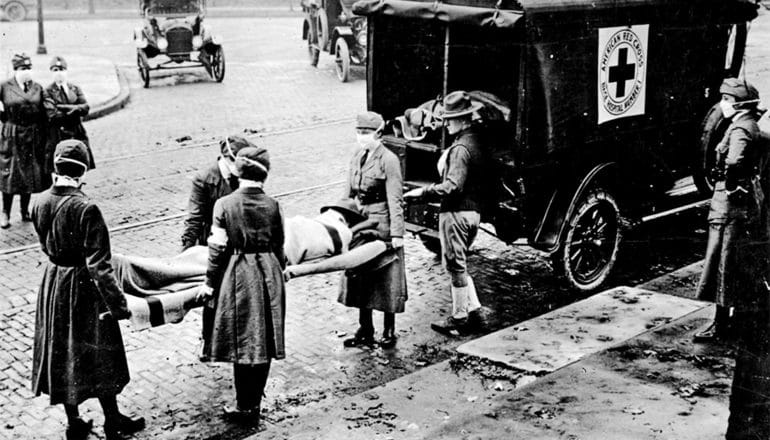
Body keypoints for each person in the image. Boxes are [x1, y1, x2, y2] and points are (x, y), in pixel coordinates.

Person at [30, 140, 145, 440]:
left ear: (55, 167)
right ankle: (112, 420)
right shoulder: (87, 208)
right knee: (100, 353)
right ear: (82, 172)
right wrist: (119, 306)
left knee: (63, 352)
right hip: (84, 290)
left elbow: (45, 245)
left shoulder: (38, 201)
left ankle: (74, 422)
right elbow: (100, 265)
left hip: (54, 284)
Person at [196, 146, 285, 424]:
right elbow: (280, 246)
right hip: (269, 273)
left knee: (241, 338)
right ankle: (254, 404)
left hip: (238, 275)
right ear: (264, 175)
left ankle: (243, 406)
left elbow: (216, 249)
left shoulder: (224, 204)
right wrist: (278, 269)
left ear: (238, 171)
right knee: (265, 337)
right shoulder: (274, 205)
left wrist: (210, 282)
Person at [404, 90, 487, 336]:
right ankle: (475, 311)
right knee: (459, 264)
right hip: (473, 213)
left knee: (455, 267)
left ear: (462, 119)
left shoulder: (460, 148)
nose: (446, 124)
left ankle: (460, 318)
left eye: (450, 119)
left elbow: (452, 186)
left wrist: (423, 193)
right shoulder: (476, 140)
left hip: (456, 214)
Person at [694, 78, 768, 342]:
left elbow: (734, 161)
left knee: (723, 262)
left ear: (738, 104)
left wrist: (731, 182)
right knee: (736, 262)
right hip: (743, 203)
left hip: (730, 206)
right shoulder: (749, 125)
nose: (722, 104)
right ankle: (731, 321)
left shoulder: (740, 130)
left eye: (726, 99)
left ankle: (721, 326)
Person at [181, 134, 254, 360]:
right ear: (225, 159)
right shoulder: (204, 179)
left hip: (239, 242)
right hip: (213, 242)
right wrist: (186, 253)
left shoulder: (244, 175)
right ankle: (209, 342)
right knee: (212, 294)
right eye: (236, 163)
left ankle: (236, 338)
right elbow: (194, 218)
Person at [338, 111, 406, 349]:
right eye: (358, 132)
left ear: (378, 133)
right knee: (360, 277)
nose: (361, 137)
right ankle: (365, 329)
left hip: (382, 224)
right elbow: (348, 193)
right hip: (360, 221)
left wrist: (397, 233)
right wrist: (341, 218)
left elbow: (395, 199)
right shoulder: (357, 155)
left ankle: (389, 329)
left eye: (365, 133)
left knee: (386, 279)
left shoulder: (389, 160)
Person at [0, 53, 48, 229]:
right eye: (22, 68)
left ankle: (24, 210)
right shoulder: (5, 87)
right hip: (12, 136)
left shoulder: (37, 88)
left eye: (28, 68)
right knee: (10, 174)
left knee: (28, 174)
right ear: (15, 70)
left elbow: (44, 111)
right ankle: (5, 212)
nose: (26, 71)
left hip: (31, 136)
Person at [43, 55, 95, 173]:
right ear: (51, 72)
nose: (59, 73)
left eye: (62, 70)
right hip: (58, 133)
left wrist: (64, 107)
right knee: (60, 166)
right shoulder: (47, 91)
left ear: (66, 71)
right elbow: (53, 114)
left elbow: (85, 107)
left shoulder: (75, 88)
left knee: (79, 162)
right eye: (55, 70)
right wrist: (76, 109)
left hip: (76, 131)